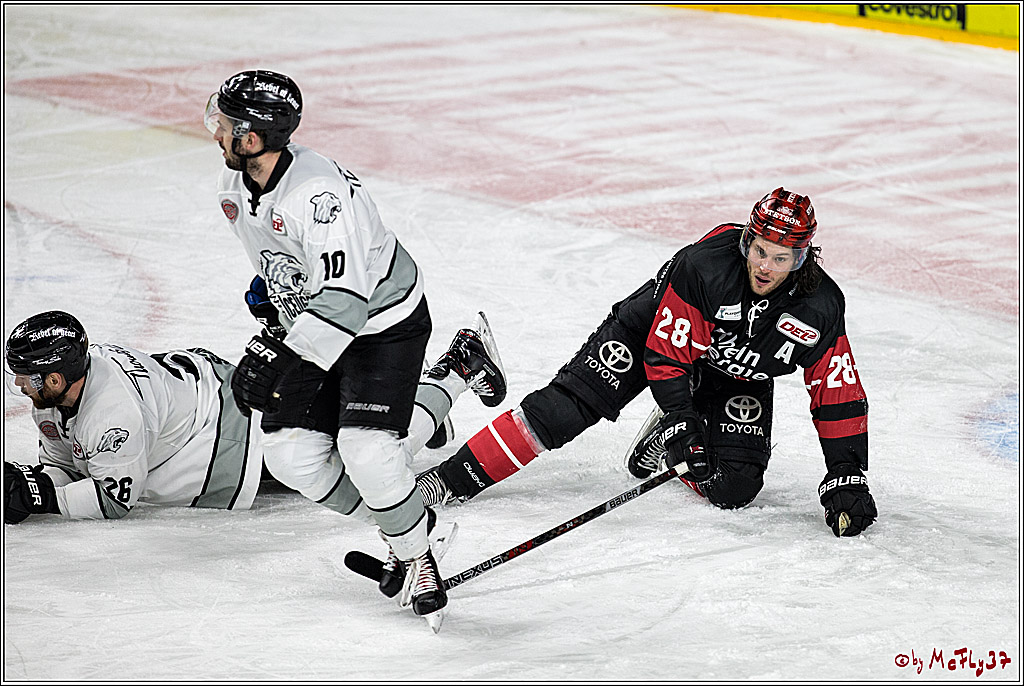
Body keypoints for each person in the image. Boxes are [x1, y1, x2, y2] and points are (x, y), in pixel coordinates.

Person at [203, 69, 506, 628]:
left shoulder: (317, 197)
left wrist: (280, 356)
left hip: (383, 324)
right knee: (290, 456)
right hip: (323, 325)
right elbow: (285, 270)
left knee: (367, 450)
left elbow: (345, 303)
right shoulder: (234, 189)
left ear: (252, 138)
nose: (213, 131)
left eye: (223, 123)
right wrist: (273, 313)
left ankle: (418, 558)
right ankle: (419, 513)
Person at [415, 188, 877, 538]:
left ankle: (667, 445)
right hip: (648, 337)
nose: (765, 267)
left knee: (733, 488)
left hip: (734, 369)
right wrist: (682, 415)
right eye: (759, 250)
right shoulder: (707, 266)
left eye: (781, 258)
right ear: (747, 242)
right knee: (563, 411)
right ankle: (446, 480)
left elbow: (838, 394)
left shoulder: (819, 307)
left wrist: (846, 474)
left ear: (802, 257)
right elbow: (666, 352)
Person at [4, 310, 264, 524]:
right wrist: (34, 483)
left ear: (54, 379)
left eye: (25, 376)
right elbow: (69, 467)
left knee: (296, 454)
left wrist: (43, 499)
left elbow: (114, 500)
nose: (18, 383)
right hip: (202, 384)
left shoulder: (112, 414)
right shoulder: (55, 395)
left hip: (230, 427)